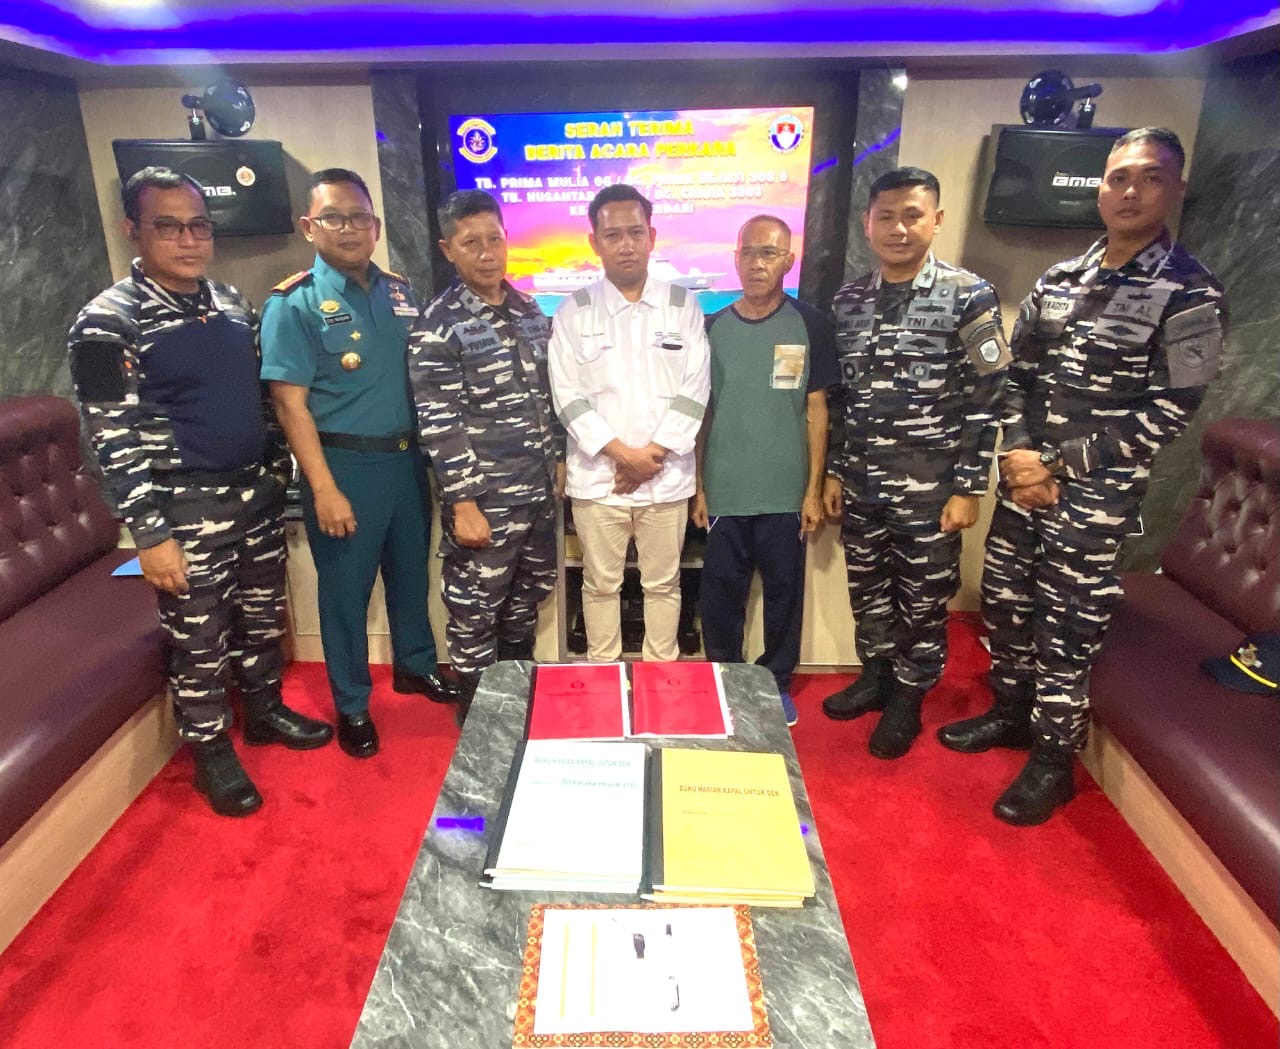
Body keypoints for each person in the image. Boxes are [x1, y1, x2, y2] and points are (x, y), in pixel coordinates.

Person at [938, 127, 1228, 825]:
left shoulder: (1189, 291)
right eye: (1118, 177)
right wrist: (1019, 456)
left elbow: (1173, 408)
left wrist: (1057, 465)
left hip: (1095, 495)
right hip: (1024, 482)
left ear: (1176, 189)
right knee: (1007, 604)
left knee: (1067, 628)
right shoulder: (1061, 279)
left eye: (1149, 178)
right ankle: (1011, 712)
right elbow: (1017, 376)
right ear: (1099, 188)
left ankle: (1052, 761)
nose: (1130, 191)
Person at [67, 166, 333, 818]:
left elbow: (260, 399)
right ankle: (211, 752)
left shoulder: (229, 302)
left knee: (260, 618)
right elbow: (112, 439)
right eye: (169, 227)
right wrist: (150, 535)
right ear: (132, 229)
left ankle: (263, 710)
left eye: (199, 226)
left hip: (254, 496)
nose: (189, 240)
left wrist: (277, 473)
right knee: (199, 640)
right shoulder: (107, 322)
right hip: (182, 510)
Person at [260, 167, 459, 760]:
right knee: (346, 593)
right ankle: (351, 703)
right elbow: (289, 405)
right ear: (309, 226)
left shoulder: (399, 293)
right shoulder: (293, 304)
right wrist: (323, 488)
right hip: (344, 466)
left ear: (376, 226)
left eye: (360, 218)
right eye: (334, 218)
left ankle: (415, 665)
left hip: (405, 463)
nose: (349, 229)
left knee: (410, 574)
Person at [821, 166, 1011, 760]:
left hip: (931, 489)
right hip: (861, 481)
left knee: (924, 600)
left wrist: (969, 487)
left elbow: (990, 396)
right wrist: (834, 470)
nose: (898, 228)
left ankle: (909, 696)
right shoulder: (849, 300)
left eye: (912, 215)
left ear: (937, 220)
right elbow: (841, 398)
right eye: (886, 216)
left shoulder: (968, 295)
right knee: (868, 590)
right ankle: (876, 677)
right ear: (868, 223)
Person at [408, 190, 564, 719]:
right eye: (470, 242)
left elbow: (548, 395)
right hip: (486, 500)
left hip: (536, 491)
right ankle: (477, 712)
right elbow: (439, 422)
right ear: (448, 249)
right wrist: (463, 503)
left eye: (493, 239)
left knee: (527, 598)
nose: (486, 252)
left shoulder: (529, 311)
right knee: (476, 607)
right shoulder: (439, 324)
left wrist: (558, 459)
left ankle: (516, 699)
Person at [547, 184, 711, 663]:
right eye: (613, 235)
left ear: (652, 237)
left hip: (666, 476)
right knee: (600, 585)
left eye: (636, 233)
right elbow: (567, 397)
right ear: (594, 242)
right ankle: (603, 678)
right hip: (600, 480)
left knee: (664, 584)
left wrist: (650, 457)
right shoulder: (573, 312)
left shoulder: (683, 305)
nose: (626, 244)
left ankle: (661, 677)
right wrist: (623, 456)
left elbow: (695, 389)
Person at [691, 215, 839, 726]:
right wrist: (699, 486)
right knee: (720, 597)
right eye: (748, 252)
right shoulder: (711, 328)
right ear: (735, 259)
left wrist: (812, 490)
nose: (757, 263)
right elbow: (703, 413)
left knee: (783, 596)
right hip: (725, 489)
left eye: (769, 253)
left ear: (789, 261)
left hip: (784, 491)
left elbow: (816, 410)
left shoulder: (809, 325)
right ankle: (725, 679)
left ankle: (775, 682)